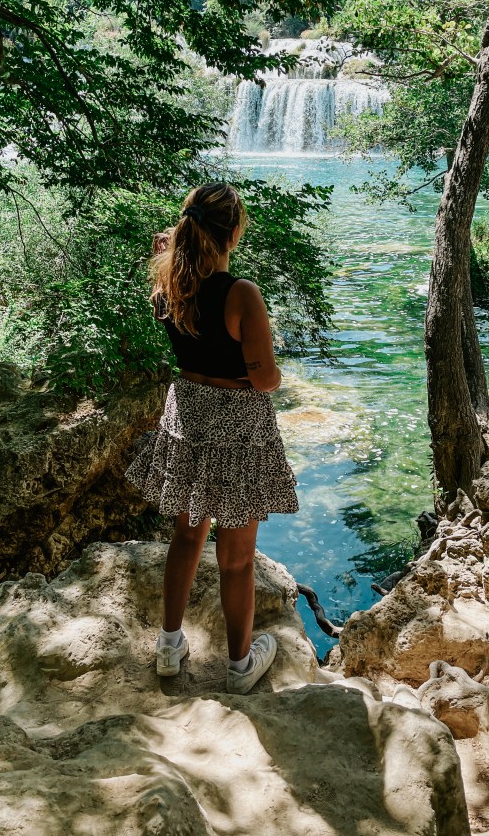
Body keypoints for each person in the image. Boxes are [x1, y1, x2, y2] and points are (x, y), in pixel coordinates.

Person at [126, 182, 298, 694]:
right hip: (237, 426)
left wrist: (167, 253)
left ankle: (168, 647)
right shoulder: (242, 294)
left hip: (187, 415)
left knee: (186, 537)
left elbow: (169, 277)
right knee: (237, 557)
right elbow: (264, 380)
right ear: (234, 233)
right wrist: (274, 368)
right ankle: (241, 666)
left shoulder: (168, 287)